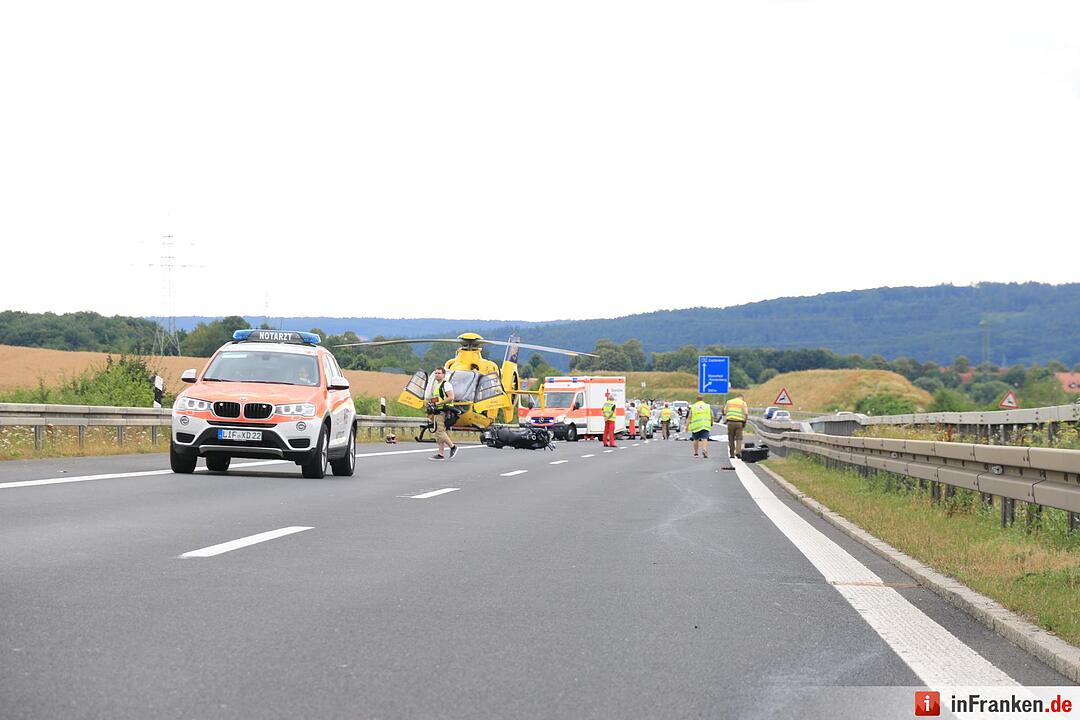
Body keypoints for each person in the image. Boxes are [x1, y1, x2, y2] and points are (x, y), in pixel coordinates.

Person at [428, 367, 458, 460]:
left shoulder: (446, 384)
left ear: (443, 375)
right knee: (438, 433)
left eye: (439, 373)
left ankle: (453, 447)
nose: (437, 375)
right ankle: (440, 454)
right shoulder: (438, 386)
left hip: (444, 411)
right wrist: (432, 405)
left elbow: (451, 397)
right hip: (438, 410)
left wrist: (439, 403)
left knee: (440, 432)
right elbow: (438, 398)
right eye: (436, 373)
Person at [723, 393, 749, 459]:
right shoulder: (743, 403)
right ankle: (738, 452)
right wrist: (745, 422)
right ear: (742, 398)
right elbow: (746, 413)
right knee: (739, 438)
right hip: (739, 423)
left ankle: (732, 454)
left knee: (731, 438)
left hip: (730, 422)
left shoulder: (729, 402)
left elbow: (725, 412)